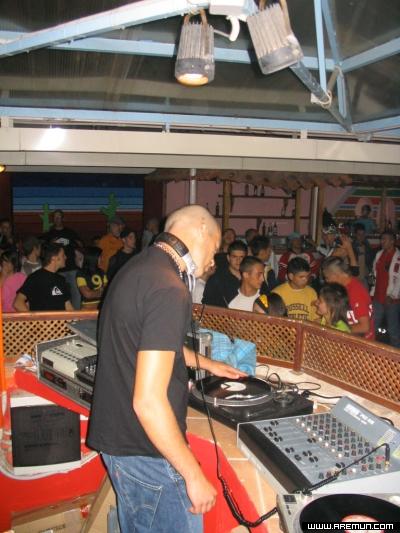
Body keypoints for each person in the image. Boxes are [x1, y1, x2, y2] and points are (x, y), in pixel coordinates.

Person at [87, 205, 246, 533]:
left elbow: (150, 343)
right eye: (215, 247)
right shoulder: (170, 288)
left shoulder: (139, 268)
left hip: (121, 441)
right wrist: (193, 475)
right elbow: (148, 402)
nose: (212, 260)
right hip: (147, 453)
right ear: (200, 230)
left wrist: (209, 363)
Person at [321, 256, 374, 340]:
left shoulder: (355, 292)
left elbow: (364, 327)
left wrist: (337, 329)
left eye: (327, 277)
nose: (326, 281)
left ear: (335, 275)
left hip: (359, 343)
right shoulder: (344, 288)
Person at [14, 243, 73, 312]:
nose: (66, 257)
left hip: (61, 319)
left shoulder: (61, 279)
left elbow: (68, 306)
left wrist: (76, 317)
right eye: (63, 255)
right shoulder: (35, 278)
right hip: (42, 319)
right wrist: (33, 318)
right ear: (53, 258)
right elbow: (18, 303)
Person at [44, 209, 82, 310]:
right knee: (58, 293)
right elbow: (44, 249)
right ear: (53, 219)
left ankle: (76, 314)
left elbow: (80, 244)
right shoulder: (50, 234)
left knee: (76, 292)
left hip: (71, 267)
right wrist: (51, 243)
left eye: (59, 217)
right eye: (55, 217)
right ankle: (60, 313)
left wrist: (72, 243)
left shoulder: (69, 232)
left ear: (62, 218)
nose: (57, 219)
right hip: (57, 269)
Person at [370, 231, 400, 348]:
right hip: (378, 297)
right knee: (373, 326)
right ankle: (368, 350)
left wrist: (392, 295)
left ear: (392, 241)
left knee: (393, 329)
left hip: (392, 300)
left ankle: (396, 355)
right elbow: (374, 273)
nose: (382, 241)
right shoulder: (379, 254)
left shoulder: (398, 257)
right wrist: (372, 290)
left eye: (385, 239)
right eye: (381, 239)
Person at [202, 240, 247, 307]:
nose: (238, 260)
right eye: (234, 257)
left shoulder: (250, 277)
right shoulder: (217, 278)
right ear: (228, 258)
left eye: (241, 257)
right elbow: (207, 303)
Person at [272, 257, 318, 321]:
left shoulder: (312, 292)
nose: (306, 280)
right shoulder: (277, 293)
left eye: (307, 276)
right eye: (301, 277)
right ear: (291, 276)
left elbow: (316, 318)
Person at [352, 223, 375, 287]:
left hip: (367, 273)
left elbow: (371, 260)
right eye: (359, 234)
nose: (361, 236)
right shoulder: (353, 246)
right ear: (355, 235)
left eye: (363, 234)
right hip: (359, 275)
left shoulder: (366, 243)